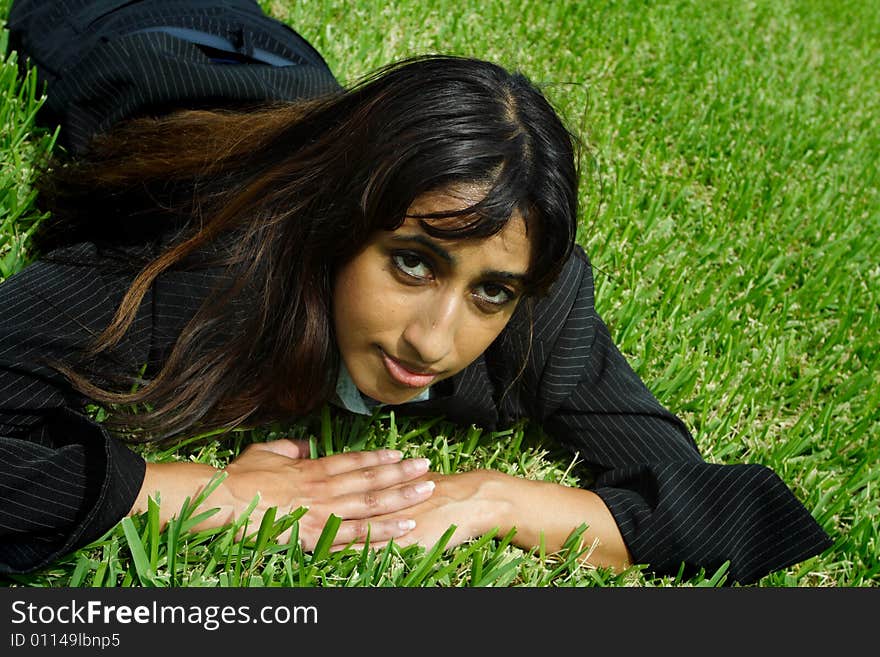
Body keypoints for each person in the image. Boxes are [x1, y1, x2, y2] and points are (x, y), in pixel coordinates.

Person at [0, 0, 832, 584]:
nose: (435, 342)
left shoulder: (536, 307)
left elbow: (727, 506)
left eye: (491, 291)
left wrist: (495, 497)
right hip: (120, 25)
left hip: (282, 63)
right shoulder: (193, 260)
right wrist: (204, 495)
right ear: (338, 224)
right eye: (412, 263)